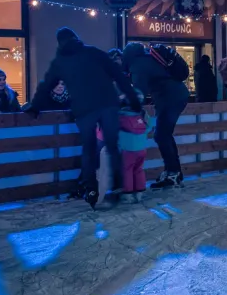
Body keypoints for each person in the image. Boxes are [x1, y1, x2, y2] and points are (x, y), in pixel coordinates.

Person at [31, 27, 140, 207]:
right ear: (76, 38)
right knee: (112, 146)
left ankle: (90, 188)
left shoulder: (60, 61)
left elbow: (46, 85)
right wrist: (133, 100)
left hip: (84, 109)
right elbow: (118, 76)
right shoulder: (94, 52)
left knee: (88, 149)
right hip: (107, 104)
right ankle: (119, 185)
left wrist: (35, 106)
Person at [123, 41, 191, 189]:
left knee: (161, 135)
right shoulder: (149, 58)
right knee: (163, 135)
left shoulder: (138, 65)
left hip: (171, 99)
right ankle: (173, 172)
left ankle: (173, 173)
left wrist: (126, 105)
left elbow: (138, 93)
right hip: (174, 97)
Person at [114, 90, 154, 201]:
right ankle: (140, 192)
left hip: (127, 149)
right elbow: (150, 126)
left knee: (127, 169)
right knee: (139, 169)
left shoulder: (120, 115)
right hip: (141, 149)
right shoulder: (142, 113)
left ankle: (128, 193)